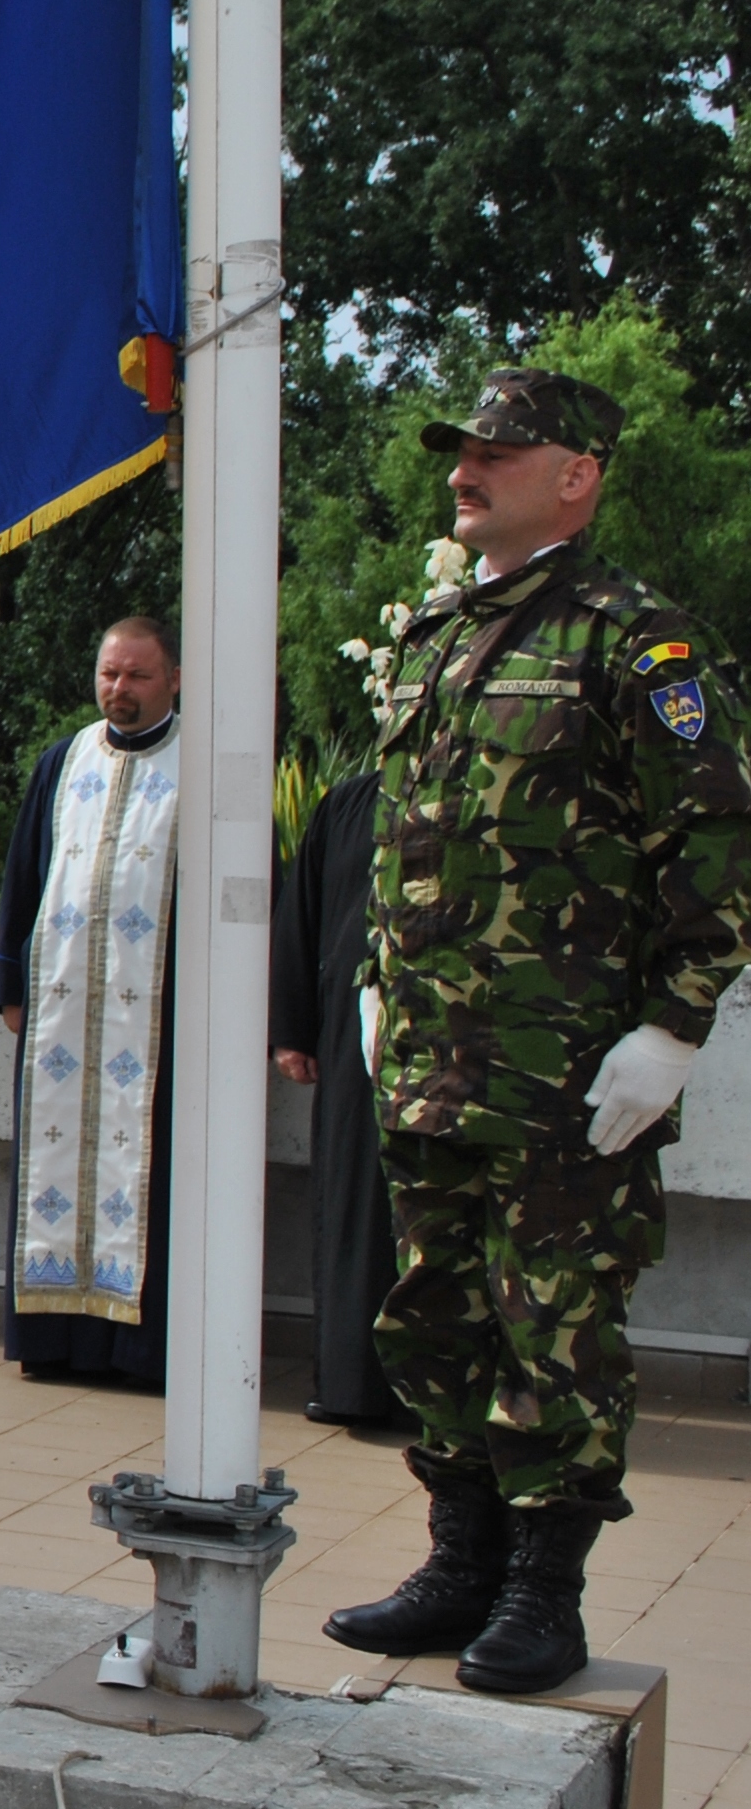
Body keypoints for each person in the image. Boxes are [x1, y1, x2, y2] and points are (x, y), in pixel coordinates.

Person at [328, 368, 751, 1693]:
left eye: (503, 452)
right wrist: (376, 982)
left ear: (579, 474)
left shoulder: (641, 642)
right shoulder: (436, 635)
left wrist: (677, 1025)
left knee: (556, 1323)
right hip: (431, 1057)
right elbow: (405, 838)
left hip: (568, 1074)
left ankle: (542, 1594)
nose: (469, 468)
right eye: (463, 448)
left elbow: (724, 837)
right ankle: (459, 1567)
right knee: (436, 1314)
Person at [0, 617, 184, 1387]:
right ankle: (54, 1341)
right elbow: (23, 877)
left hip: (158, 1023)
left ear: (171, 678)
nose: (119, 690)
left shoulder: (200, 764)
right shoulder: (64, 761)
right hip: (62, 1014)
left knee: (145, 1178)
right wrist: (11, 989)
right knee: (55, 1164)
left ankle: (136, 1351)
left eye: (136, 676)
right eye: (109, 674)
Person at [272, 768, 394, 1427]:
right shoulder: (351, 800)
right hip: (355, 1047)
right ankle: (353, 1384)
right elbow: (305, 910)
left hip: (466, 1054)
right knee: (355, 1211)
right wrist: (291, 1028)